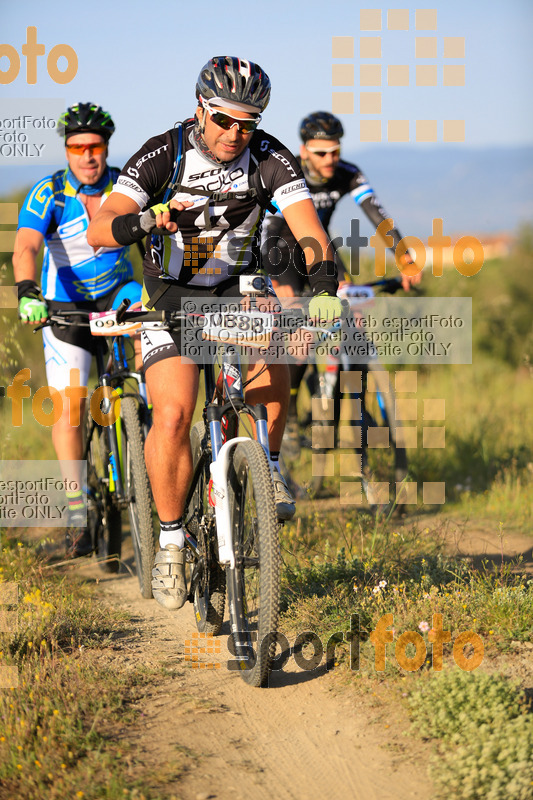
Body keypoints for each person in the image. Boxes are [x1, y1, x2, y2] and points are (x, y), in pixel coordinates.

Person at [88, 56, 341, 610]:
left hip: (232, 288)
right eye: (225, 121)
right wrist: (146, 220)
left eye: (247, 124)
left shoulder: (269, 155)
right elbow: (102, 226)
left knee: (278, 328)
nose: (235, 134)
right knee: (175, 413)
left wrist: (324, 289)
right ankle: (173, 540)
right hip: (169, 295)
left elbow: (309, 231)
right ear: (201, 109)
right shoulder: (163, 151)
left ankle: (268, 465)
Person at [13, 102, 142, 558]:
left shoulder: (124, 187)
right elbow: (27, 243)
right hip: (63, 308)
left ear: (106, 148)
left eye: (95, 147)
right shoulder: (49, 192)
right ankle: (75, 510)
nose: (87, 156)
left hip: (117, 295)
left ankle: (150, 443)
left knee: (152, 361)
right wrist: (28, 292)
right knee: (70, 408)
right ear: (67, 150)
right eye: (77, 147)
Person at [261, 111, 420, 442]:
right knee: (300, 336)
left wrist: (404, 257)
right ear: (304, 151)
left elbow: (378, 215)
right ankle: (286, 410)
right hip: (280, 251)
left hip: (320, 250)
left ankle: (346, 399)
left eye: (335, 151)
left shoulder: (347, 173)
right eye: (321, 153)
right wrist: (282, 289)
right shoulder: (287, 171)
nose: (330, 159)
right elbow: (269, 232)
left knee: (351, 313)